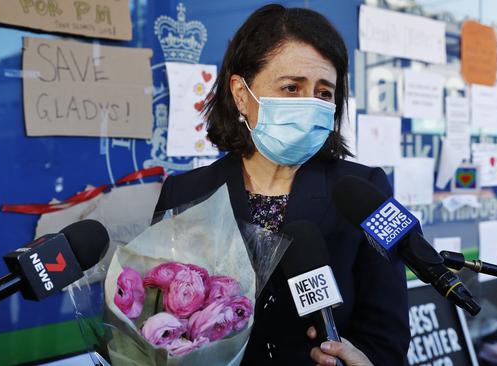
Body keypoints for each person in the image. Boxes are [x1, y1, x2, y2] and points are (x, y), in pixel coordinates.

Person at [154, 4, 410, 365]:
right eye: (291, 87)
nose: (309, 105)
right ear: (241, 93)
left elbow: (388, 338)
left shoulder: (364, 191)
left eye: (324, 93)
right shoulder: (185, 194)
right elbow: (157, 321)